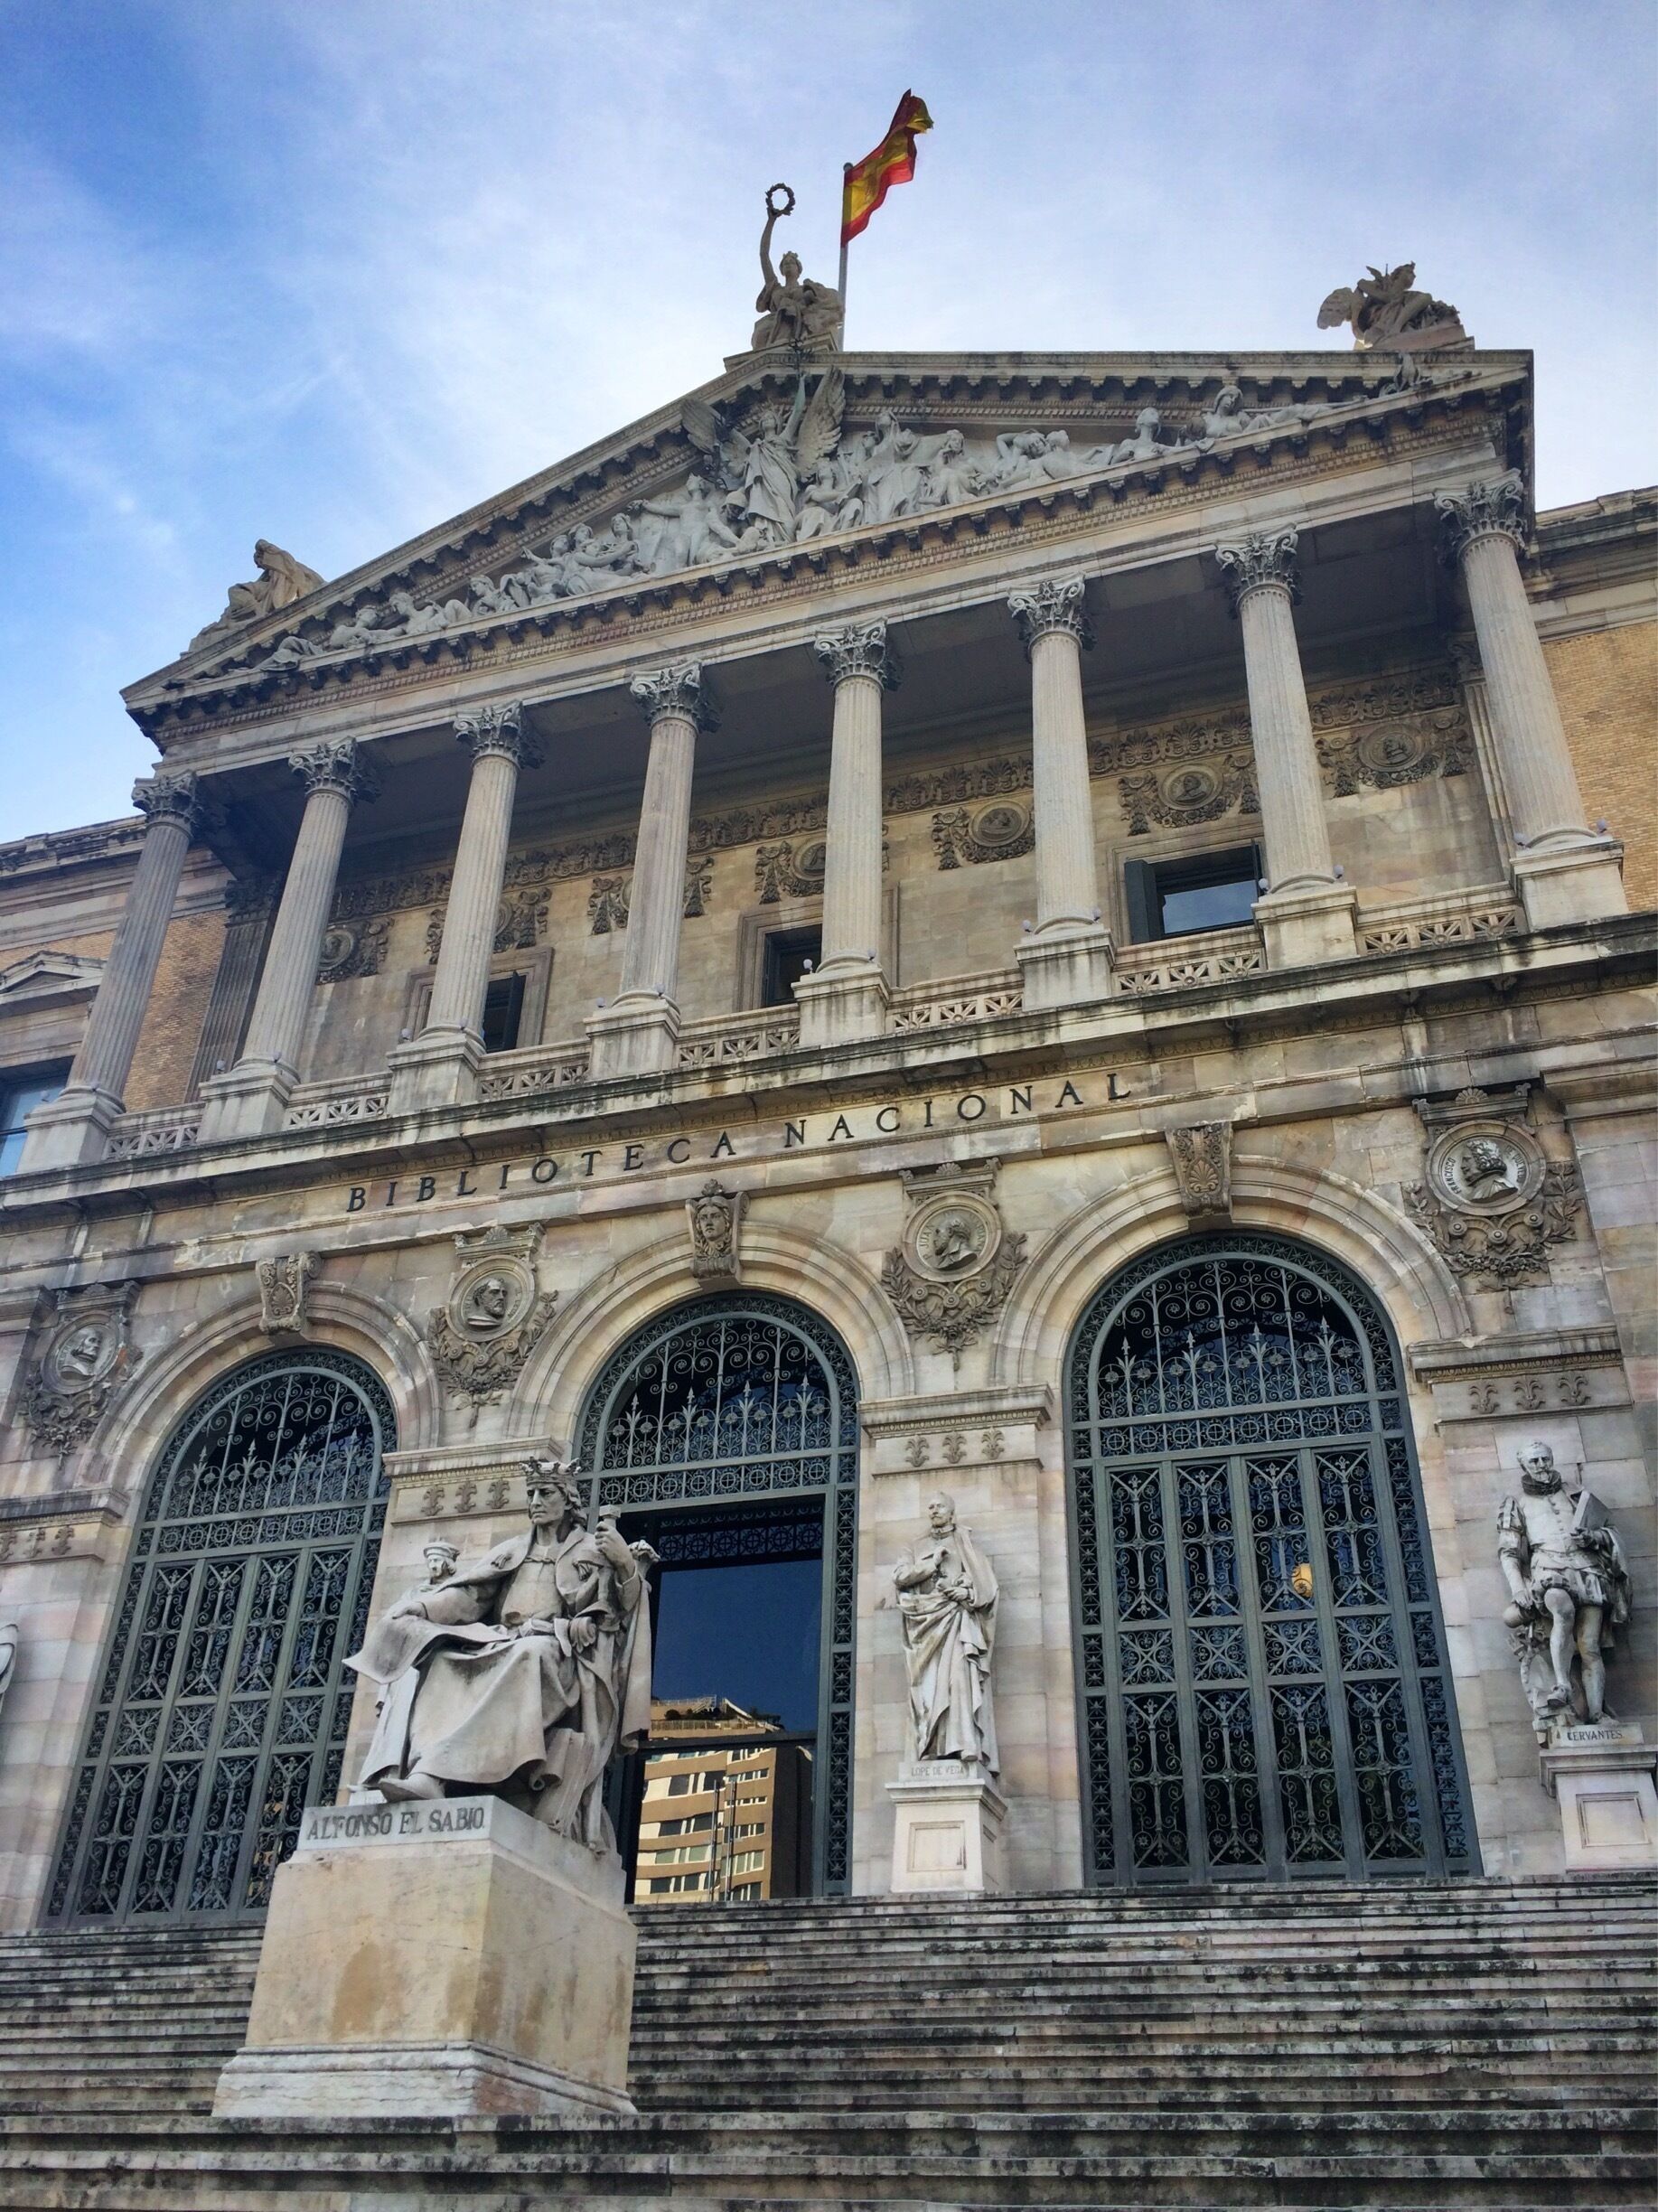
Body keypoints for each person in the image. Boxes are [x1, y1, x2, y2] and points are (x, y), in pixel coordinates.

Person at [349, 1460, 654, 1850]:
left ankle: (434, 1774)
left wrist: (625, 1564)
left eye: (546, 1494)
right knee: (440, 1662)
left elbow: (623, 1608)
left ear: (568, 1500)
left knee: (527, 1655)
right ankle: (431, 1775)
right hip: (498, 1639)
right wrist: (422, 1609)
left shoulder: (590, 1550)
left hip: (555, 1652)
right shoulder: (512, 1550)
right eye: (531, 1494)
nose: (535, 1502)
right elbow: (468, 1596)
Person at [1498, 1441, 1630, 1724]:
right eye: (1534, 1461)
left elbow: (1609, 1530)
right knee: (1562, 1610)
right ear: (1524, 1465)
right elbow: (1509, 1551)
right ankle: (1562, 1685)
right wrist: (1518, 1589)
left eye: (1545, 1459)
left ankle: (1597, 1714)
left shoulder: (1576, 1494)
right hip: (1548, 1569)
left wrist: (1594, 1538)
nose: (1541, 1465)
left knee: (1590, 1646)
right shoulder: (1516, 1501)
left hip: (1587, 1570)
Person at [892, 1495, 998, 1769]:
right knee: (926, 1690)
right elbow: (900, 1577)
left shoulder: (965, 1543)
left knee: (959, 1681)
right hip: (924, 1626)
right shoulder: (916, 1546)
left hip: (957, 1620)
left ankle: (964, 1744)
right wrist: (932, 1563)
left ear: (952, 1513)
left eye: (939, 1506)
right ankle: (933, 1746)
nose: (934, 1510)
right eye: (930, 1506)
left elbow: (986, 1587)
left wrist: (964, 1592)